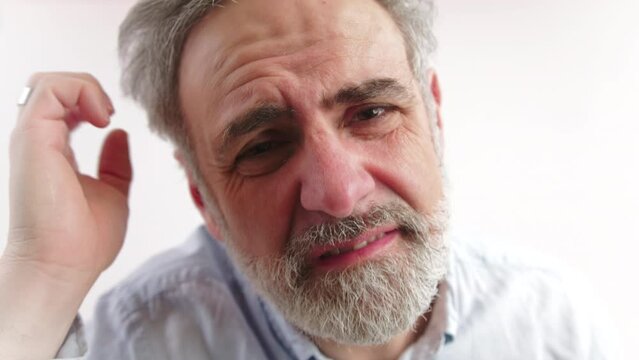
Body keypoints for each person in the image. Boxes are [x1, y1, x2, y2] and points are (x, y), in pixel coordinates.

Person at [0, 0, 612, 359]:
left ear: (434, 117)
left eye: (371, 113)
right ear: (203, 199)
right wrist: (42, 274)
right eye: (263, 145)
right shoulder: (141, 341)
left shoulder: (550, 326)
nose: (341, 193)